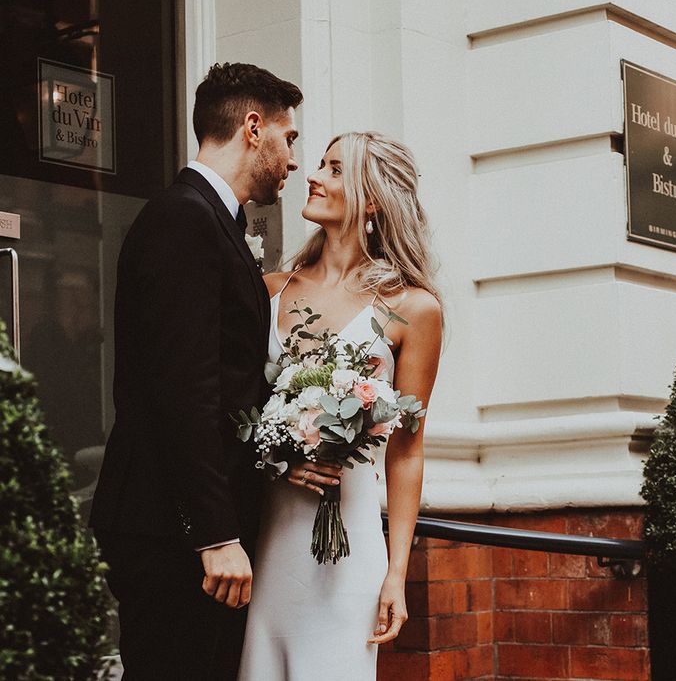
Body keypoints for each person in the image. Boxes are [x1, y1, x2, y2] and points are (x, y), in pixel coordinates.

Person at [89, 62, 302, 680]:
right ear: (254, 128)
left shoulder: (213, 220)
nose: (292, 160)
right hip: (173, 532)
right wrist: (214, 534)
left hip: (187, 528)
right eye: (290, 139)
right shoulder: (184, 218)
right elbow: (183, 390)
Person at [237, 132, 443, 680]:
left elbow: (406, 450)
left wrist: (397, 573)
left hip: (349, 549)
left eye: (333, 169)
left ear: (372, 198)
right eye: (319, 166)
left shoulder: (412, 308)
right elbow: (235, 409)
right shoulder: (268, 290)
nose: (314, 176)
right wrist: (278, 454)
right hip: (267, 538)